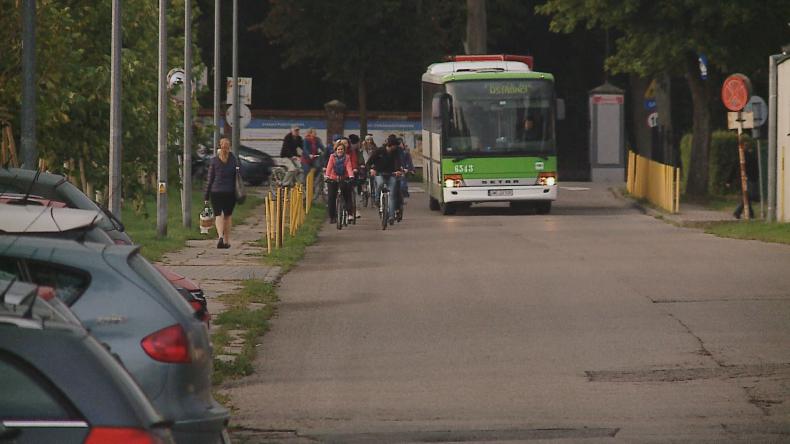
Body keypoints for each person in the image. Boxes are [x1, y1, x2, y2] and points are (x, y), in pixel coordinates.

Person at [204, 137, 238, 249]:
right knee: (227, 216)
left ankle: (220, 237)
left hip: (216, 191)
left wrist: (206, 195)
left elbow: (210, 179)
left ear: (219, 146)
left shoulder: (214, 160)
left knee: (218, 215)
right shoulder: (234, 160)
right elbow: (239, 175)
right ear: (229, 147)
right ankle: (227, 241)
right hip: (230, 192)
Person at [366, 134, 403, 224]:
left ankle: (390, 216)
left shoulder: (396, 152)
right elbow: (369, 162)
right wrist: (371, 169)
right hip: (379, 173)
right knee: (380, 183)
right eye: (395, 146)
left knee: (392, 195)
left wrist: (398, 170)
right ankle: (377, 199)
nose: (395, 147)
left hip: (391, 174)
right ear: (391, 145)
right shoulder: (379, 151)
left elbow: (398, 162)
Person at [325, 140, 355, 224]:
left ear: (344, 150)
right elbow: (329, 167)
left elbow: (349, 167)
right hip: (333, 178)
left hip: (343, 178)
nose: (340, 151)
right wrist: (327, 176)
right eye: (338, 149)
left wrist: (351, 176)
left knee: (347, 194)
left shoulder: (347, 157)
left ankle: (349, 213)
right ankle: (332, 217)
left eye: (341, 149)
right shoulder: (332, 157)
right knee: (331, 197)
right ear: (335, 150)